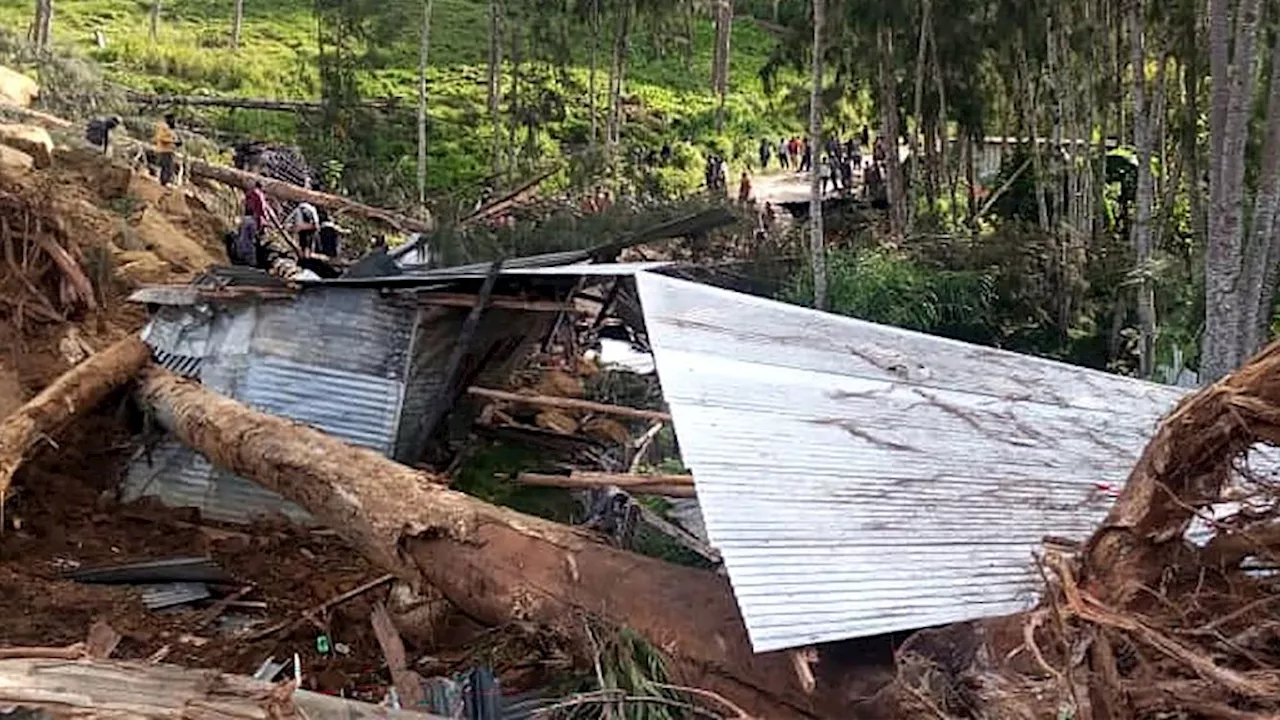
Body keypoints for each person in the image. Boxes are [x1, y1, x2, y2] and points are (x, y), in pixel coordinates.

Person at [238, 182, 279, 268]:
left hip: (245, 219)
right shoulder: (259, 194)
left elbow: (243, 205)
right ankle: (251, 262)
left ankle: (241, 258)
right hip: (253, 220)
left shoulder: (248, 193)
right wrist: (267, 221)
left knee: (243, 239)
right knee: (252, 242)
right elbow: (262, 209)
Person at [152, 113, 181, 187]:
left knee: (170, 168)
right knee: (165, 167)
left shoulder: (171, 129)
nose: (174, 121)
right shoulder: (163, 127)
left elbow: (172, 138)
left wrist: (177, 143)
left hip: (170, 151)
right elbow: (161, 138)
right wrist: (173, 141)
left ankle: (167, 182)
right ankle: (163, 183)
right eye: (173, 120)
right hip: (164, 151)